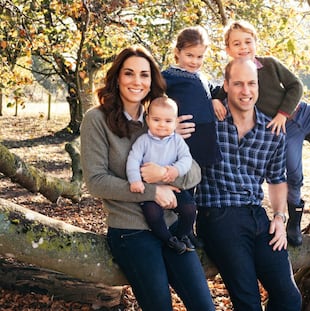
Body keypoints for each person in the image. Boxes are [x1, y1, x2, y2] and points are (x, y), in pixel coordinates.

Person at [80, 46, 215, 311]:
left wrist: (167, 173)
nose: (137, 81)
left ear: (152, 81)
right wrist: (152, 192)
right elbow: (96, 181)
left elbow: (195, 172)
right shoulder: (96, 120)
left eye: (144, 75)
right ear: (117, 77)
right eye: (129, 73)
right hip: (131, 231)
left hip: (172, 227)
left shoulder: (160, 119)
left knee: (204, 306)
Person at [213, 20, 310, 246]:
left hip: (302, 113)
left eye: (248, 41)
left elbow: (295, 86)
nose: (243, 47)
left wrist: (282, 113)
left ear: (255, 43)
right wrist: (213, 101)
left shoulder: (269, 64)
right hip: (284, 131)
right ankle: (294, 222)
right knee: (294, 175)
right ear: (228, 49)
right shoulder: (234, 76)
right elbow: (221, 93)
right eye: (236, 44)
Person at [195, 58, 302, 311]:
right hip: (218, 214)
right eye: (238, 84)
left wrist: (279, 216)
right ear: (226, 85)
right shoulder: (208, 120)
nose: (246, 91)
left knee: (289, 299)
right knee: (249, 303)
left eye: (251, 84)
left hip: (256, 215)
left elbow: (277, 179)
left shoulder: (272, 130)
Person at [126, 96, 196, 254]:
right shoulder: (143, 141)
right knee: (153, 214)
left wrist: (175, 170)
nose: (162, 125)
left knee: (189, 208)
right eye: (156, 119)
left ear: (176, 122)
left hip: (172, 187)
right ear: (148, 119)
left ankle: (182, 235)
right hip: (150, 190)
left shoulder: (177, 141)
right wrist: (135, 180)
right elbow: (133, 160)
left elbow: (186, 159)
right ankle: (168, 240)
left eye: (168, 121)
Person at [162, 25, 222, 167]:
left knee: (201, 181)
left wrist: (216, 98)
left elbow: (215, 90)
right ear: (177, 52)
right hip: (187, 138)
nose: (194, 61)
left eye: (199, 57)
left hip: (206, 139)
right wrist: (167, 123)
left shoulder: (200, 76)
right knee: (183, 181)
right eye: (189, 55)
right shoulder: (170, 76)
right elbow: (152, 96)